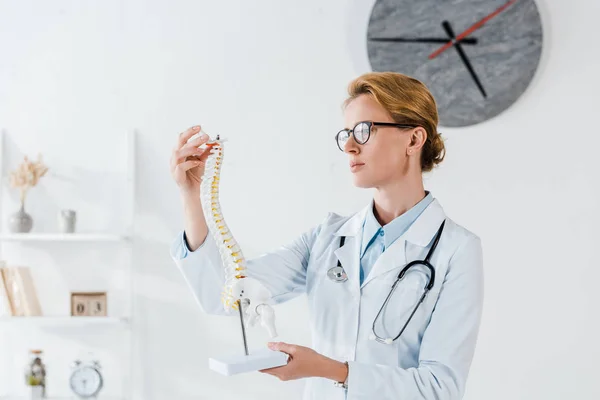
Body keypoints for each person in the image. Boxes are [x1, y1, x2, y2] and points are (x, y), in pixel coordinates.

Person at [169, 71, 484, 400]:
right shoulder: (328, 237)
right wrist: (192, 195)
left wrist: (331, 370)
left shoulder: (456, 249)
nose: (348, 146)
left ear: (414, 139)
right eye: (346, 134)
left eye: (364, 131)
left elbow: (440, 388)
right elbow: (225, 296)